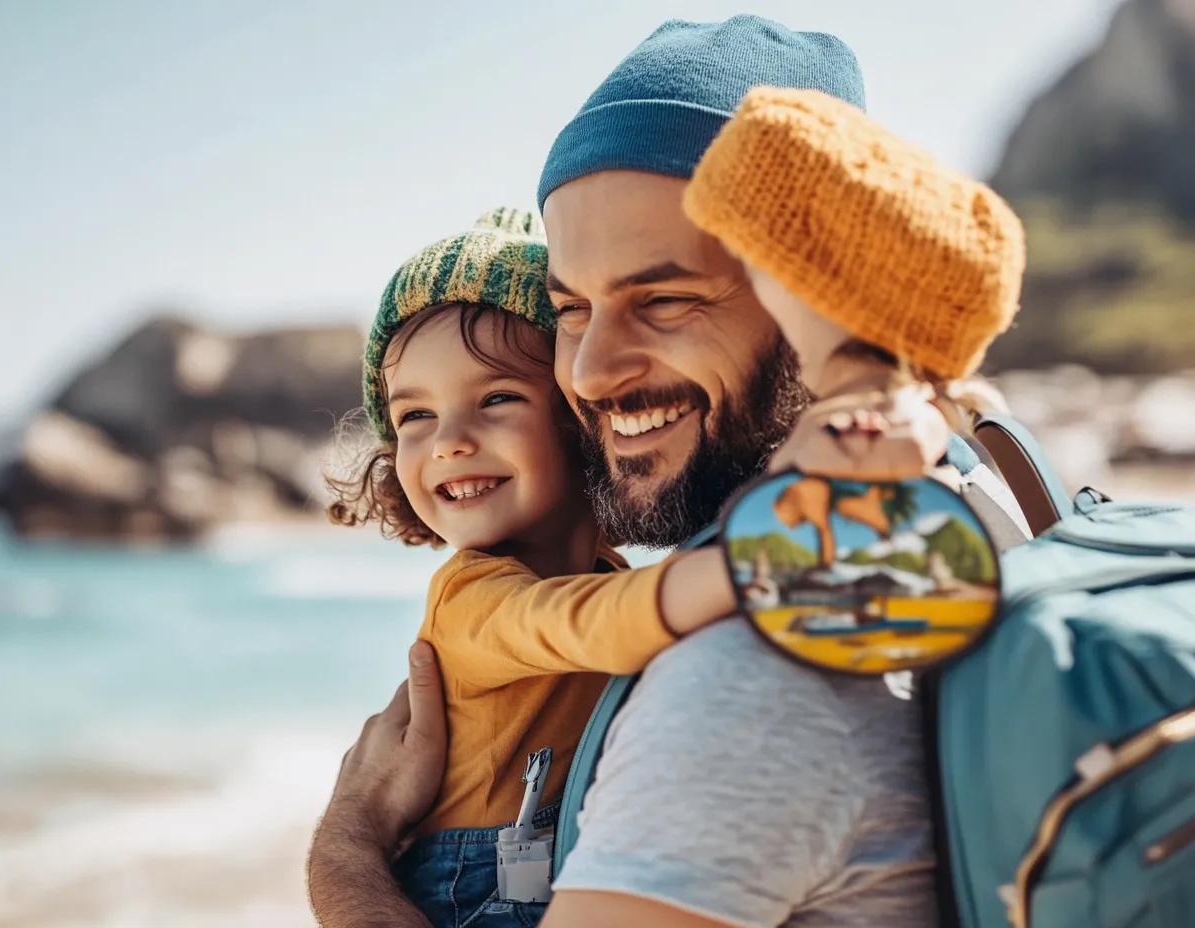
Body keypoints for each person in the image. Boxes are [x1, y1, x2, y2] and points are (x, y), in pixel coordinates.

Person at [309, 16, 1031, 928]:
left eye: (665, 299)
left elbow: (620, 622)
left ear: (816, 300)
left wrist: (346, 850)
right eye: (572, 310)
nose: (592, 372)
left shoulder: (744, 682)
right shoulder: (978, 475)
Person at [326, 207, 737, 927]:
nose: (449, 441)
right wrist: (751, 571)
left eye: (496, 399)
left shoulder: (610, 577)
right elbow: (584, 626)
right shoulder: (472, 596)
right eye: (413, 417)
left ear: (584, 421)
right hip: (468, 896)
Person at [682, 85, 1030, 552]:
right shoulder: (930, 428)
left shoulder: (852, 439)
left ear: (813, 288)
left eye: (749, 260)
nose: (742, 283)